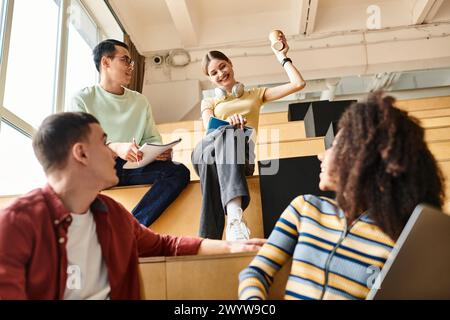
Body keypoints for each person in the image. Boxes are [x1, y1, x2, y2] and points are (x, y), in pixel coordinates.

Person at [0, 112, 265, 300]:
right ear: (81, 153)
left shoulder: (111, 214)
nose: (112, 152)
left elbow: (165, 245)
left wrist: (231, 246)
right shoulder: (16, 224)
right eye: (105, 143)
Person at [239, 91, 445, 300]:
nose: (321, 155)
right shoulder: (304, 208)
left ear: (359, 160)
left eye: (333, 147)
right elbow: (255, 273)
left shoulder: (397, 240)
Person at [192, 32, 306, 241]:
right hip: (206, 152)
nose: (220, 74)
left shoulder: (255, 94)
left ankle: (210, 237)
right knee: (227, 132)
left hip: (240, 157)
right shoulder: (209, 102)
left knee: (232, 136)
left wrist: (282, 56)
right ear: (210, 79)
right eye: (214, 72)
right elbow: (209, 124)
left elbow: (298, 84)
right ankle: (234, 217)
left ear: (231, 64)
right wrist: (229, 124)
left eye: (222, 67)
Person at [68, 39, 189, 227]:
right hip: (96, 168)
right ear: (106, 62)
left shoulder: (139, 101)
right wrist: (116, 148)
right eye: (125, 60)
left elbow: (151, 139)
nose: (131, 67)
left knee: (178, 172)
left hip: (133, 166)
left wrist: (161, 153)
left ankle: (132, 228)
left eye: (131, 62)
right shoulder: (82, 99)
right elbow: (80, 146)